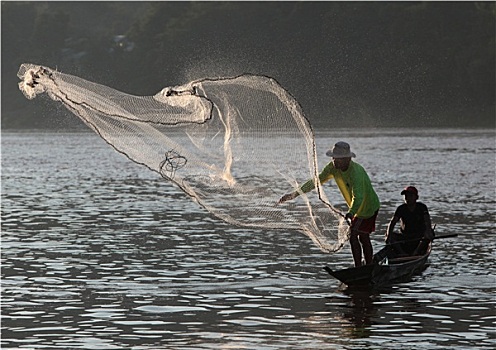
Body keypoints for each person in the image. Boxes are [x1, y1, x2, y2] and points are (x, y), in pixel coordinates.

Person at [279, 141, 380, 267]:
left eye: (338, 159)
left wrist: (352, 212)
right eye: (333, 158)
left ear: (347, 159)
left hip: (367, 207)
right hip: (357, 208)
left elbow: (358, 196)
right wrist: (295, 194)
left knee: (356, 236)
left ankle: (361, 267)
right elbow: (316, 181)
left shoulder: (356, 172)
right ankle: (365, 265)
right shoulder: (332, 168)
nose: (335, 161)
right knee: (362, 237)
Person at [385, 186, 434, 256]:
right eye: (406, 196)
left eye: (410, 196)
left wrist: (428, 231)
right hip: (405, 236)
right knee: (391, 236)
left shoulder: (422, 207)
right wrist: (388, 236)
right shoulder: (401, 208)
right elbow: (392, 222)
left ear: (416, 197)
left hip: (419, 236)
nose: (407, 198)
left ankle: (416, 253)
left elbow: (427, 221)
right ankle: (402, 253)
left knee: (428, 234)